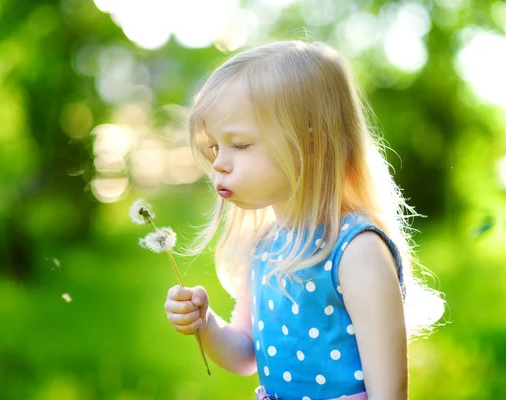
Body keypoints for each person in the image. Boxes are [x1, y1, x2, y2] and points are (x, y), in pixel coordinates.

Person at [163, 40, 444, 400]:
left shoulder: (357, 252)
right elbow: (246, 354)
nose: (219, 163)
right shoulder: (262, 246)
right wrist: (205, 324)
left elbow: (389, 394)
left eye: (241, 144)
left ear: (310, 144)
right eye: (216, 147)